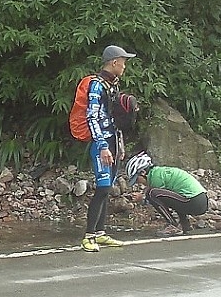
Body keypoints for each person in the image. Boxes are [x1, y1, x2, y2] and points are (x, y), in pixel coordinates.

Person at [81, 45, 137, 252]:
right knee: (103, 187)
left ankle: (100, 233)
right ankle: (88, 236)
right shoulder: (96, 85)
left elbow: (115, 119)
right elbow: (92, 117)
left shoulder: (112, 85)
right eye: (123, 62)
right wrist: (103, 146)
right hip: (101, 144)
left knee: (107, 188)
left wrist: (119, 145)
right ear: (114, 62)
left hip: (113, 142)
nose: (124, 66)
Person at [125, 151, 209, 236]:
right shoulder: (158, 172)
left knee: (151, 193)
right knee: (173, 195)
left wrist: (142, 198)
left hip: (194, 201)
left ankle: (173, 225)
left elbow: (156, 201)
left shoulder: (155, 177)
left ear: (143, 172)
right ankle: (185, 225)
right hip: (200, 200)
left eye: (137, 179)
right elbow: (168, 199)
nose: (138, 183)